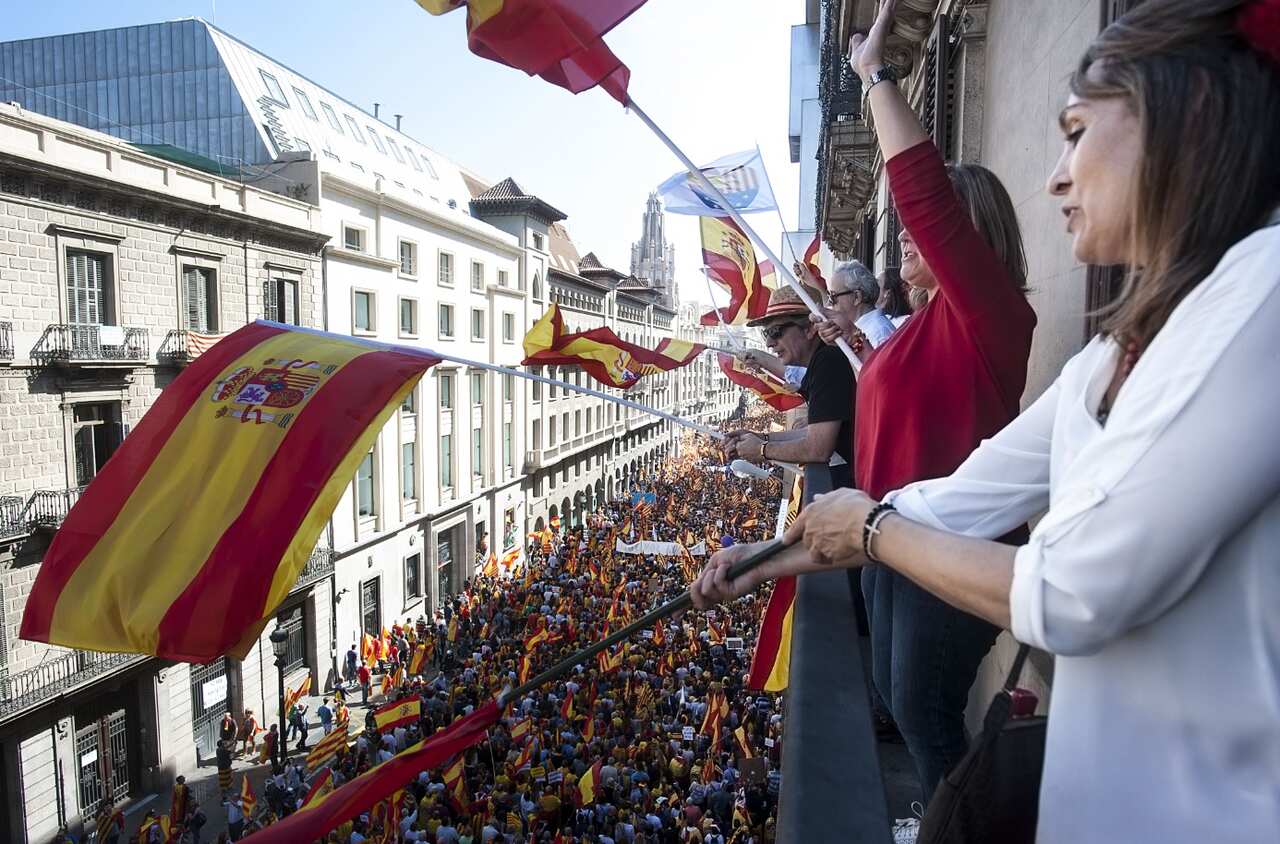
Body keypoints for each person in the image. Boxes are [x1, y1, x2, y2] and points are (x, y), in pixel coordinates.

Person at [694, 0, 1280, 840]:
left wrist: (874, 78)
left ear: (1187, 120)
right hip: (1110, 799)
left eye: (1078, 131)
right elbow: (951, 498)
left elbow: (1072, 589)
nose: (1055, 175)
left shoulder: (1263, 288)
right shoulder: (1107, 358)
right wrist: (765, 560)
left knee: (925, 711)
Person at [724, 285, 856, 489]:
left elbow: (817, 449)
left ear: (810, 328)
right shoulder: (821, 362)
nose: (769, 342)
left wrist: (761, 449)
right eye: (766, 333)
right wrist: (761, 437)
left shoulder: (828, 362)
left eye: (776, 332)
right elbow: (813, 434)